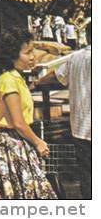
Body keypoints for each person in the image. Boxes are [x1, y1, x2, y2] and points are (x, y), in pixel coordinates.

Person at [0, 27, 57, 200]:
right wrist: (38, 142)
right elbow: (18, 122)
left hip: (20, 142)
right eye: (27, 52)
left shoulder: (17, 79)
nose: (33, 56)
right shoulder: (8, 81)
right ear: (12, 55)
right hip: (11, 144)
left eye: (33, 51)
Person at [39, 21, 91, 199]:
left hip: (82, 130)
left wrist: (35, 83)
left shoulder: (75, 58)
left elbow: (55, 76)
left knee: (87, 177)